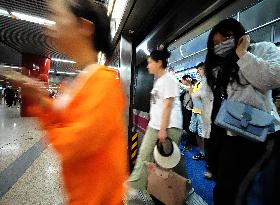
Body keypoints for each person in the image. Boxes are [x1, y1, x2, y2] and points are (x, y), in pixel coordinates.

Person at [1, 0, 128, 204]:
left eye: (58, 17)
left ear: (85, 27)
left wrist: (48, 119)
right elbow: (65, 117)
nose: (50, 25)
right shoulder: (82, 80)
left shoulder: (104, 82)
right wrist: (38, 96)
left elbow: (73, 145)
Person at [201, 18, 280, 205]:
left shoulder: (263, 49)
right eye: (216, 43)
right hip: (228, 131)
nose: (220, 46)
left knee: (247, 188)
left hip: (260, 133)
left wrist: (242, 54)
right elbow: (210, 101)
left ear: (239, 35)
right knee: (225, 187)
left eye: (226, 39)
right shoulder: (216, 66)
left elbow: (272, 78)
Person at [127, 49, 190, 192]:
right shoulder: (159, 81)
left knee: (168, 162)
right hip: (155, 126)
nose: (148, 65)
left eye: (150, 62)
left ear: (159, 63)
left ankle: (184, 189)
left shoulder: (169, 79)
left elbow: (167, 106)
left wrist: (162, 130)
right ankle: (135, 187)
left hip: (168, 127)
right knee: (145, 155)